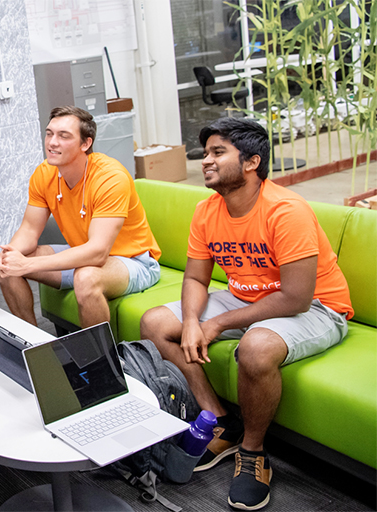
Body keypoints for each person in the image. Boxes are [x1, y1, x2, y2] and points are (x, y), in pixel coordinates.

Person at [139, 117, 353, 511]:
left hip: (318, 307)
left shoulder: (286, 211)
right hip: (246, 298)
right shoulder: (208, 210)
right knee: (155, 323)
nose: (206, 161)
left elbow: (296, 298)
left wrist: (214, 323)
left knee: (254, 348)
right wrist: (190, 322)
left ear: (252, 162)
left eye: (218, 152)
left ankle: (253, 453)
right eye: (206, 153)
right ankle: (219, 418)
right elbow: (196, 279)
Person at [0, 105, 161, 328]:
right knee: (6, 264)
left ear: (86, 144)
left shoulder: (109, 177)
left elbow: (97, 252)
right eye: (49, 133)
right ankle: (34, 346)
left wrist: (27, 264)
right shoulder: (44, 173)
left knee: (86, 277)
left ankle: (101, 362)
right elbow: (29, 229)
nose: (52, 142)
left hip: (133, 261)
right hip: (81, 252)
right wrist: (13, 255)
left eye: (64, 136)